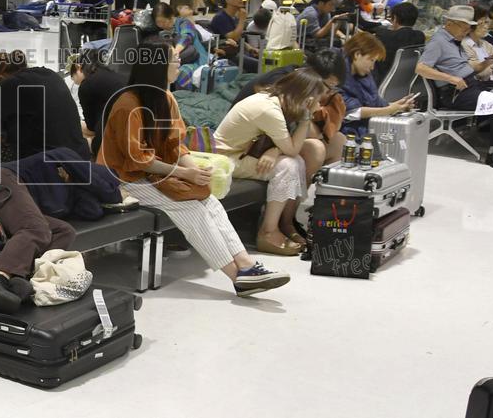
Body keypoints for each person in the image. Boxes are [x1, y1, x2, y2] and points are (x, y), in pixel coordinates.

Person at [97, 40, 289, 297]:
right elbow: (136, 159)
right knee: (189, 208)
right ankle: (237, 277)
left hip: (152, 174)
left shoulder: (166, 98)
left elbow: (177, 146)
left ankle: (247, 265)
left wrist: (197, 170)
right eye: (174, 60)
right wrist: (184, 173)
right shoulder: (128, 103)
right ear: (158, 67)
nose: (179, 64)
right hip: (122, 179)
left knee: (208, 199)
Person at [215, 69, 330, 254]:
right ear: (307, 99)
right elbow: (291, 149)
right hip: (228, 158)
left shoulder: (277, 101)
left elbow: (290, 144)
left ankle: (286, 222)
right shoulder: (269, 110)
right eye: (317, 101)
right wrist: (306, 117)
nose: (318, 107)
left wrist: (275, 150)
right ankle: (268, 232)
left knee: (300, 158)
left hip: (245, 153)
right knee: (289, 165)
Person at [0, 166, 77, 312]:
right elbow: (95, 206)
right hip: (0, 179)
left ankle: (19, 280)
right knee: (36, 229)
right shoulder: (84, 167)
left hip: (22, 195)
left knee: (64, 231)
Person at [415, 5, 493, 170]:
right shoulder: (438, 42)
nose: (466, 31)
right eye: (463, 27)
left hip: (471, 85)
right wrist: (450, 78)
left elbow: (472, 69)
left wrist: (488, 61)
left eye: (468, 28)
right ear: (450, 23)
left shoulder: (455, 41)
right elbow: (420, 68)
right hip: (456, 93)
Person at [0, 50, 91, 162]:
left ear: (0, 79)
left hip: (50, 164)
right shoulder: (49, 73)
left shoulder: (12, 84)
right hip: (79, 154)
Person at [339, 31, 417, 138]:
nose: (372, 67)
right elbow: (350, 111)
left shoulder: (363, 74)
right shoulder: (335, 73)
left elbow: (375, 102)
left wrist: (398, 106)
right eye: (371, 60)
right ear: (357, 54)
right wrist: (389, 109)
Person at [69, 48, 126, 158]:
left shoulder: (87, 85)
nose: (78, 84)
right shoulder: (113, 75)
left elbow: (91, 127)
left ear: (78, 67)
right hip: (135, 129)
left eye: (75, 79)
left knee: (78, 138)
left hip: (115, 142)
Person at [373, 1, 426, 82]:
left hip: (382, 80)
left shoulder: (383, 35)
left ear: (395, 18)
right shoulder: (420, 36)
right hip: (408, 82)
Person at [463, 9, 493, 81]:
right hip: (478, 87)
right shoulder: (465, 44)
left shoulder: (486, 44)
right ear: (471, 25)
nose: (486, 27)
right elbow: (478, 74)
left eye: (487, 22)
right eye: (482, 23)